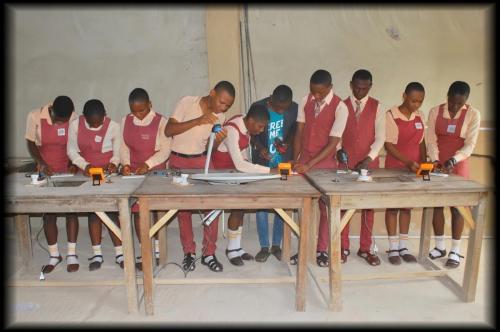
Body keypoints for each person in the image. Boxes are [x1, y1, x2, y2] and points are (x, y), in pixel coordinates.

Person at [164, 81, 233, 273]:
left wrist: (218, 142)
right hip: (178, 161)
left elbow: (211, 147)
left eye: (227, 105)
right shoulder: (187, 102)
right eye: (221, 102)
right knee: (183, 210)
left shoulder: (220, 116)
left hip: (202, 161)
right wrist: (198, 120)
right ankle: (189, 253)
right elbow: (168, 130)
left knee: (212, 206)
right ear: (212, 93)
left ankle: (209, 253)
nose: (223, 108)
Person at [291, 69, 349, 267]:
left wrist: (309, 164)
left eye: (320, 93)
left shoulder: (340, 107)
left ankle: (322, 250)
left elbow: (333, 143)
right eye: (313, 91)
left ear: (330, 88)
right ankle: (304, 249)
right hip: (304, 160)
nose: (316, 96)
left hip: (325, 163)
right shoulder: (305, 100)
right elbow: (299, 131)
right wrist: (295, 158)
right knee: (305, 205)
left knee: (326, 209)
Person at [426, 81, 481, 268]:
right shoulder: (435, 111)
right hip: (438, 162)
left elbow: (470, 144)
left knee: (458, 208)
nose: (455, 107)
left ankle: (455, 250)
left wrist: (453, 160)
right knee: (437, 204)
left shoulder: (473, 114)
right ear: (447, 96)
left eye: (459, 103)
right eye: (452, 102)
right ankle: (440, 246)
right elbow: (431, 140)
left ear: (466, 101)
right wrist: (435, 160)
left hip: (458, 164)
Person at [67, 99, 124, 270]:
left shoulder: (113, 127)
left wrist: (114, 162)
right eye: (91, 124)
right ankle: (97, 254)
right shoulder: (75, 125)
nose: (95, 127)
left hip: (106, 173)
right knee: (94, 212)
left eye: (99, 123)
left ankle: (120, 253)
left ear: (105, 115)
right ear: (84, 117)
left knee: (112, 213)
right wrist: (84, 165)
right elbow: (71, 150)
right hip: (88, 172)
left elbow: (117, 152)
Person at [25, 95, 80, 273]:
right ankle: (54, 255)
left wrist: (73, 164)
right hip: (46, 168)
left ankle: (72, 254)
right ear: (52, 111)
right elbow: (31, 142)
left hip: (67, 168)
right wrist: (41, 163)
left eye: (63, 121)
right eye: (58, 120)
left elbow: (75, 143)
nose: (59, 123)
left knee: (71, 211)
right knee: (49, 214)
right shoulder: (34, 116)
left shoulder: (73, 117)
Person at [212, 103, 271, 266]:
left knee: (241, 209)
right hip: (223, 172)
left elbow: (243, 153)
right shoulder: (232, 130)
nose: (261, 131)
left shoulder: (245, 123)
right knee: (237, 208)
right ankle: (231, 249)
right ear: (251, 120)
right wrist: (268, 171)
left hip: (234, 171)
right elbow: (239, 164)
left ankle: (237, 247)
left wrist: (252, 169)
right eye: (260, 127)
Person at [338, 69, 385, 266]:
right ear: (351, 84)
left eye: (364, 88)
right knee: (342, 206)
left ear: (370, 87)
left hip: (368, 163)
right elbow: (336, 134)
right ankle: (342, 246)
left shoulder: (378, 106)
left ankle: (365, 248)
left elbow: (381, 137)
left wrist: (369, 158)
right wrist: (339, 149)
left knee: (368, 207)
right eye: (356, 87)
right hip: (346, 163)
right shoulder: (341, 105)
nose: (359, 91)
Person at [120, 88, 170, 270]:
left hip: (154, 171)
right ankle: (145, 251)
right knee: (136, 211)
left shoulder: (161, 122)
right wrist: (125, 164)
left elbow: (165, 150)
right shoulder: (126, 120)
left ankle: (157, 250)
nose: (138, 115)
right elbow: (124, 146)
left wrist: (148, 164)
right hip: (134, 172)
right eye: (134, 111)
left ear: (150, 104)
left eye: (142, 110)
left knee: (154, 211)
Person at [250, 85, 298, 263]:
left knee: (282, 200)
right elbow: (251, 132)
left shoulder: (294, 108)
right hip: (262, 163)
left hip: (284, 162)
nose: (280, 110)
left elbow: (295, 130)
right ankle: (264, 246)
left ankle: (276, 245)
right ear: (271, 98)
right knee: (261, 203)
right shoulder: (258, 106)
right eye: (277, 107)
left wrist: (287, 143)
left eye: (283, 108)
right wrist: (261, 148)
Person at [384, 82, 427, 265]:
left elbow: (421, 142)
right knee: (393, 206)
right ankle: (393, 247)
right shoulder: (391, 115)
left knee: (407, 206)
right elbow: (389, 145)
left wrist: (424, 164)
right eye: (413, 101)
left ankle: (403, 246)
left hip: (414, 168)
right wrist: (408, 162)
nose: (416, 105)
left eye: (420, 101)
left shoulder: (420, 116)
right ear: (404, 96)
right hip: (396, 165)